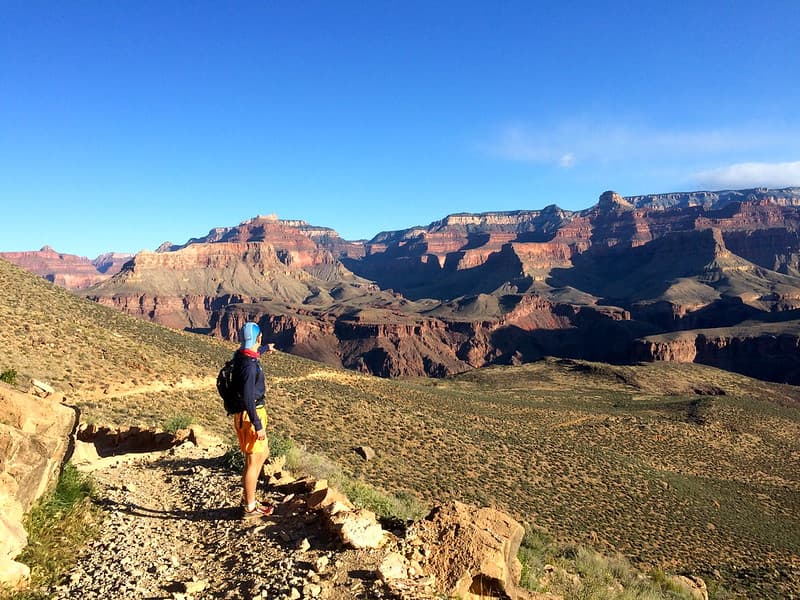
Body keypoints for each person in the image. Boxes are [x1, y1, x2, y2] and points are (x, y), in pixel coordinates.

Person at [232, 321, 274, 518]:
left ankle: (250, 496)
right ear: (258, 337)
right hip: (250, 416)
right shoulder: (248, 366)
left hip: (253, 413)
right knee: (252, 461)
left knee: (263, 452)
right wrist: (257, 425)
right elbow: (248, 397)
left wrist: (266, 349)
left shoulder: (243, 355)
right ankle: (249, 506)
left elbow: (253, 353)